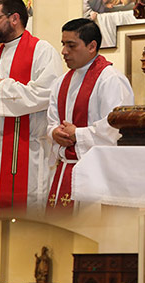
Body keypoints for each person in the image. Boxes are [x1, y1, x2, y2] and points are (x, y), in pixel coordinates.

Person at [0, 0, 63, 210]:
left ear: (14, 18)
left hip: (26, 151)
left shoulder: (42, 51)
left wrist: (3, 88)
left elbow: (47, 93)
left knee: (25, 214)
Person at [47, 18, 134, 210]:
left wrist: (77, 134)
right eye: (63, 44)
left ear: (92, 46)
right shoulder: (61, 82)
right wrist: (54, 132)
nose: (64, 52)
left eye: (71, 45)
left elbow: (118, 130)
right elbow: (52, 120)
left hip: (97, 174)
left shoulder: (111, 80)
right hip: (65, 171)